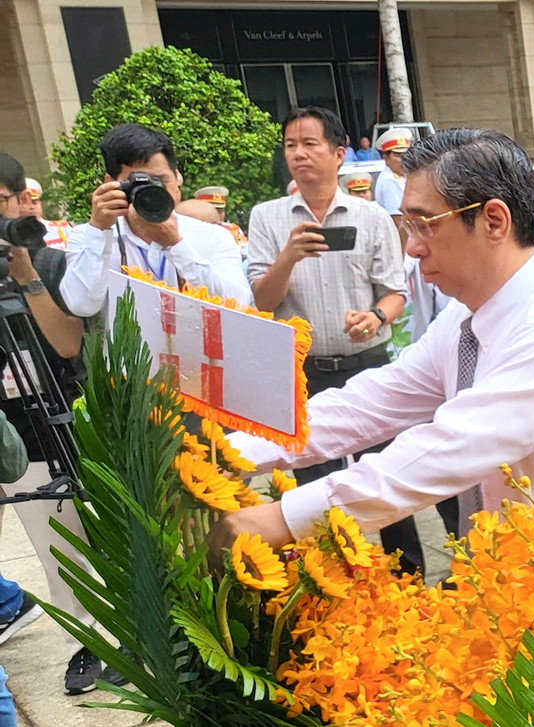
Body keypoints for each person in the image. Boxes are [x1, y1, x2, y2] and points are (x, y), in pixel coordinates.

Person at [214, 128, 534, 553]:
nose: (411, 248)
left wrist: (281, 518)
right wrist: (231, 451)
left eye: (423, 224)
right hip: (499, 577)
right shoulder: (464, 316)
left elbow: (441, 453)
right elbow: (372, 402)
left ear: (494, 220)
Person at [245, 106, 423, 570]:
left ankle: (409, 575)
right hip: (302, 376)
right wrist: (287, 257)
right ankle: (328, 585)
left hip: (369, 365)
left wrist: (374, 317)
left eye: (310, 144)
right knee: (310, 492)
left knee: (387, 479)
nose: (299, 154)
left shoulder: (371, 216)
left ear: (339, 153)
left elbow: (395, 293)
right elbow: (263, 301)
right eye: (290, 146)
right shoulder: (267, 218)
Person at [0, 154, 119, 695]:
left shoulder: (52, 262)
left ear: (20, 201)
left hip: (75, 412)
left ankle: (142, 624)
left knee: (115, 526)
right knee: (54, 542)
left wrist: (24, 275)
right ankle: (88, 639)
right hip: (16, 431)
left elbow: (68, 343)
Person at [59, 124, 252, 319]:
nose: (151, 192)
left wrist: (177, 246)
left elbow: (239, 305)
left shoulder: (211, 235)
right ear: (111, 183)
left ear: (177, 178)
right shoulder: (87, 236)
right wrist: (99, 230)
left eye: (160, 180)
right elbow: (80, 305)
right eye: (138, 183)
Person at [374, 130, 410, 217]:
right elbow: (397, 219)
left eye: (406, 154)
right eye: (398, 155)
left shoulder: (402, 176)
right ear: (385, 157)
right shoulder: (390, 181)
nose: (404, 159)